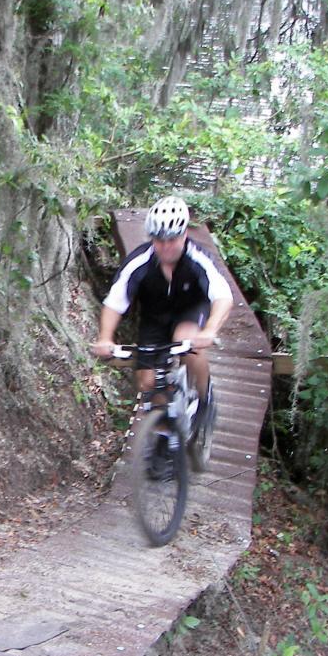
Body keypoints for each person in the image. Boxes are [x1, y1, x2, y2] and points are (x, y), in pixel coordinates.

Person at [90, 196, 233, 465]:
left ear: (183, 235)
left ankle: (205, 398)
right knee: (148, 381)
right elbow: (114, 303)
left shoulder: (198, 259)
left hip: (191, 311)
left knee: (187, 341)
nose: (165, 246)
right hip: (154, 319)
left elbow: (222, 297)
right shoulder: (140, 261)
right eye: (159, 240)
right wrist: (105, 338)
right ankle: (164, 438)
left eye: (172, 240)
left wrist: (210, 330)